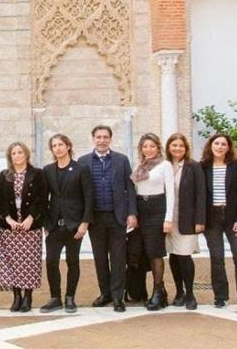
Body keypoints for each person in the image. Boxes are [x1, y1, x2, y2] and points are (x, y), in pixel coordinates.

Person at [78, 125, 137, 312]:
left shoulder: (121, 160)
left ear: (110, 139)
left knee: (118, 258)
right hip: (95, 217)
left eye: (105, 137)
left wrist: (132, 213)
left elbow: (130, 188)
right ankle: (106, 293)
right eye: (98, 137)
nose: (102, 140)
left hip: (117, 216)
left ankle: (118, 296)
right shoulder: (83, 161)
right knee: (100, 257)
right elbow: (80, 192)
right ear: (93, 139)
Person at [200, 133, 237, 311]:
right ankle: (220, 297)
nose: (220, 147)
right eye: (217, 143)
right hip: (212, 218)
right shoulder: (203, 166)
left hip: (234, 218)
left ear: (228, 147)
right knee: (216, 258)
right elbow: (200, 196)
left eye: (224, 144)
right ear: (211, 145)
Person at [41, 134, 93, 313]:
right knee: (51, 262)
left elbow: (88, 197)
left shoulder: (81, 169)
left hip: (74, 225)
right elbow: (43, 199)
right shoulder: (47, 170)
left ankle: (70, 297)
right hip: (54, 226)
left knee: (73, 261)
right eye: (54, 146)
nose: (58, 148)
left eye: (61, 144)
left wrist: (85, 222)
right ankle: (55, 297)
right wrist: (46, 224)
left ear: (68, 146)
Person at [0, 141, 47, 313]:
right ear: (10, 157)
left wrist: (31, 218)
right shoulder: (5, 175)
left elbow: (41, 198)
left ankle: (28, 297)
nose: (17, 156)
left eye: (20, 152)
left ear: (26, 154)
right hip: (10, 228)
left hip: (29, 227)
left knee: (30, 262)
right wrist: (8, 218)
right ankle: (16, 296)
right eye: (13, 153)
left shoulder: (37, 174)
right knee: (12, 263)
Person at [130, 133, 174, 311]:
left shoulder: (165, 165)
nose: (148, 149)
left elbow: (170, 192)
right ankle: (139, 290)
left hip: (157, 208)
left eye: (152, 146)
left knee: (155, 252)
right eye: (145, 146)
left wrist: (168, 219)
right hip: (140, 208)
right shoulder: (139, 166)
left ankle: (158, 290)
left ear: (158, 147)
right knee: (139, 251)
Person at [164, 133, 206, 310]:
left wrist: (200, 220)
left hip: (187, 219)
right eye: (174, 145)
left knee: (185, 256)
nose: (177, 148)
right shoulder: (163, 166)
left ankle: (190, 293)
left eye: (181, 145)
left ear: (186, 148)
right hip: (167, 219)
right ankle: (179, 292)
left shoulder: (193, 166)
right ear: (168, 148)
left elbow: (201, 193)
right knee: (173, 255)